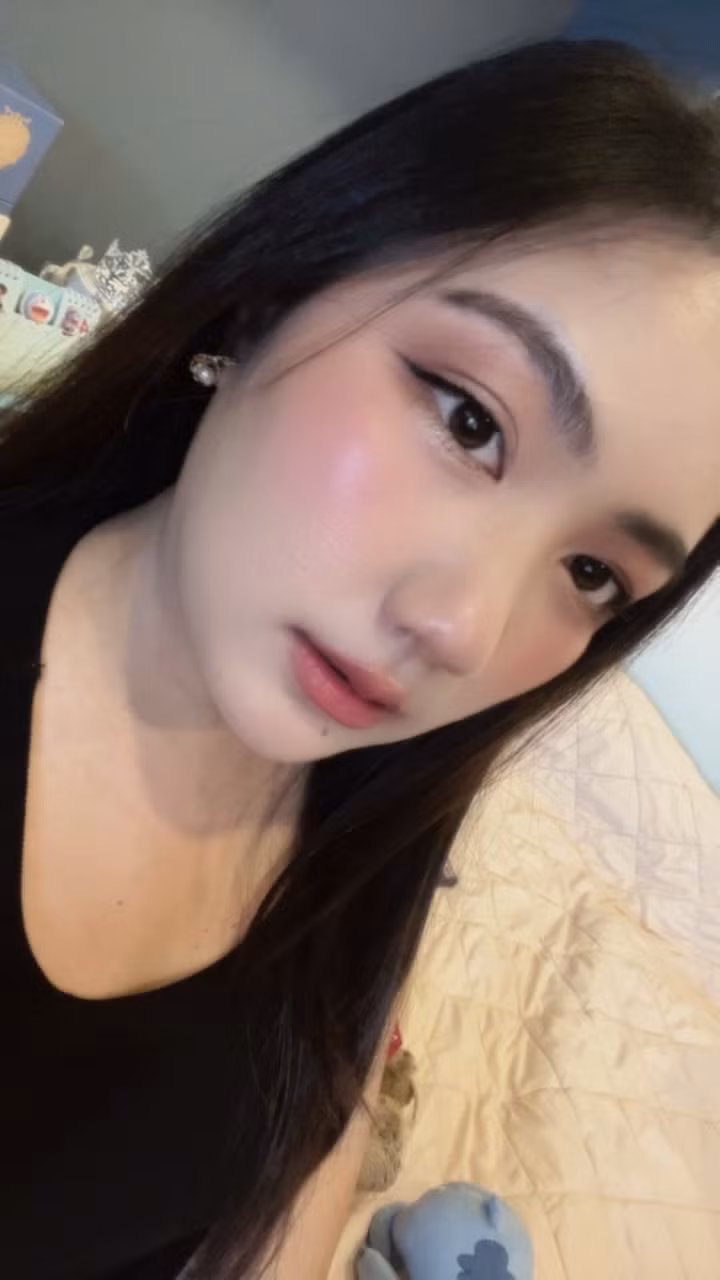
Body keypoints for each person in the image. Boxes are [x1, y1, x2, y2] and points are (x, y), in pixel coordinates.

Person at [1, 37, 719, 1280]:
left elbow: (312, 1124)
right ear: (274, 289)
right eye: (470, 419)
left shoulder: (384, 802)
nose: (465, 632)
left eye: (593, 573)